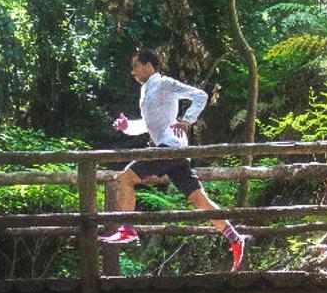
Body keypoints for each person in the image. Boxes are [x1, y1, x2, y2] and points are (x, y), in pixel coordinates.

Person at [98, 48, 248, 272]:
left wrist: (187, 120)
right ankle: (235, 238)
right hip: (174, 150)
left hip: (169, 148)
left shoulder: (164, 83)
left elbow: (201, 95)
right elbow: (148, 125)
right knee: (200, 200)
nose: (133, 71)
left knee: (124, 178)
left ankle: (127, 228)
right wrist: (127, 126)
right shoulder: (147, 90)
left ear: (149, 66)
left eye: (136, 66)